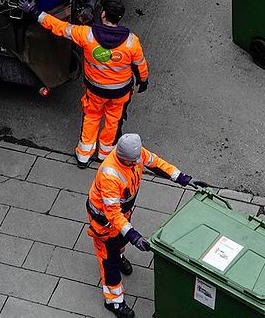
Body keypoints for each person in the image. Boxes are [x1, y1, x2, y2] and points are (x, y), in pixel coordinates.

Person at [85, 133, 208, 318]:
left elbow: (156, 164)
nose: (137, 164)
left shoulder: (135, 155)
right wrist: (134, 236)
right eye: (133, 162)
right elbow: (112, 213)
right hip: (104, 222)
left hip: (122, 214)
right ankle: (114, 301)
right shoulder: (110, 174)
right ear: (122, 157)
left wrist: (183, 178)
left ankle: (119, 256)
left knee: (118, 244)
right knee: (108, 261)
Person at [18, 0, 149, 168]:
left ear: (102, 14)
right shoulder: (132, 41)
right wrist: (143, 81)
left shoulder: (86, 35)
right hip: (120, 92)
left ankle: (83, 156)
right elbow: (140, 65)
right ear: (120, 17)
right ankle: (104, 154)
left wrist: (33, 11)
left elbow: (58, 27)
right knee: (113, 121)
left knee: (91, 117)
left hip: (94, 91)